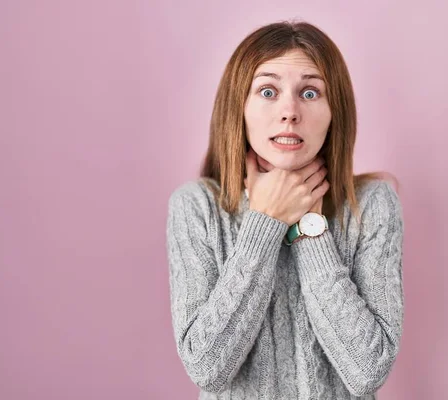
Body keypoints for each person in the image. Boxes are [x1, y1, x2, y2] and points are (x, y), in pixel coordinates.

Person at [166, 20, 405, 400]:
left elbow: (367, 372)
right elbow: (207, 369)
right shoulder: (196, 207)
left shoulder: (373, 205)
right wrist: (264, 223)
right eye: (267, 91)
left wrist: (309, 226)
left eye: (310, 93)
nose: (290, 111)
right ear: (238, 107)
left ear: (334, 112)